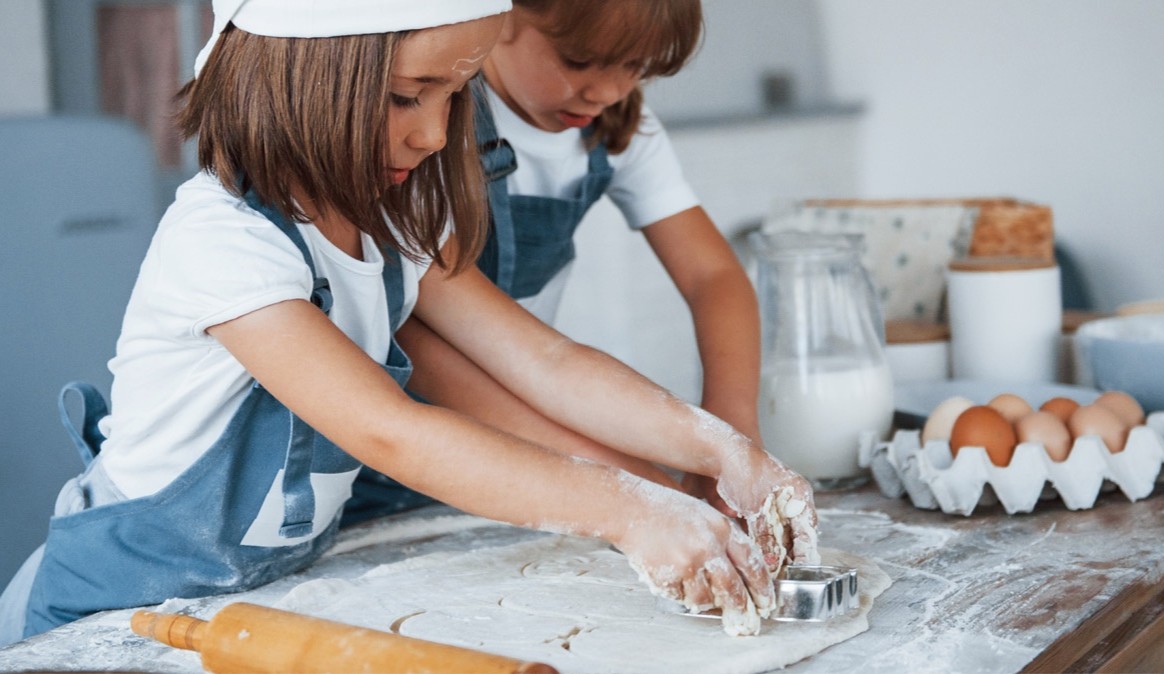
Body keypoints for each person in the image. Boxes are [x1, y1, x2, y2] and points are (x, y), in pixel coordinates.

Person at [0, 0, 816, 647]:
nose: (435, 134)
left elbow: (546, 361)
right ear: (297, 73)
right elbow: (392, 432)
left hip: (248, 602)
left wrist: (722, 448)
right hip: (112, 610)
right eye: (406, 96)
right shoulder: (224, 242)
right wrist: (632, 512)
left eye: (455, 96)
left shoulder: (394, 221)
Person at [353, 0, 761, 523]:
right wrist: (640, 488)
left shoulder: (618, 125)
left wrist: (731, 435)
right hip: (388, 457)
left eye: (636, 67)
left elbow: (713, 275)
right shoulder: (422, 130)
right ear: (502, 15)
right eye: (579, 61)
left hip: (531, 437)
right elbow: (427, 349)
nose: (606, 92)